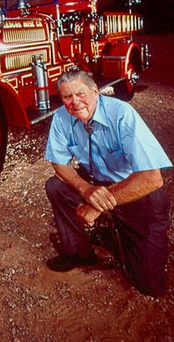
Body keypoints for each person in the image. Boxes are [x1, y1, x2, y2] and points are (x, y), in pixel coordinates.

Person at [44, 69, 173, 297]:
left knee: (149, 285)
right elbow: (58, 163)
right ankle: (79, 252)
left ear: (95, 91)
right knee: (55, 186)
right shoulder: (61, 118)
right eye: (66, 96)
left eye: (80, 94)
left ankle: (115, 234)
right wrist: (86, 189)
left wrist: (96, 205)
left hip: (134, 190)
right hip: (94, 184)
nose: (74, 102)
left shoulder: (121, 113)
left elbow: (153, 178)